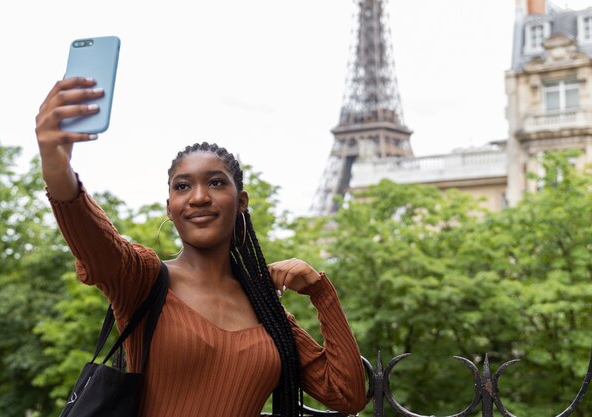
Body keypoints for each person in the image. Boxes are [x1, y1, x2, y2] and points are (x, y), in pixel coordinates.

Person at [35, 77, 367, 417]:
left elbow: (347, 394)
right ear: (170, 207)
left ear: (241, 202)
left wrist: (320, 292)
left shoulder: (269, 310)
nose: (198, 197)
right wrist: (57, 166)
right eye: (183, 186)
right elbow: (95, 243)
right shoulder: (143, 280)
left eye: (216, 182)